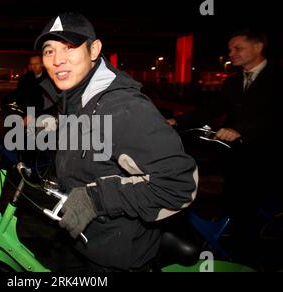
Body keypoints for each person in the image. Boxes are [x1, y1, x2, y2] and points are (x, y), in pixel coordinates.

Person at [34, 12, 198, 272]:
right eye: (49, 51)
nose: (57, 60)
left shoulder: (123, 107)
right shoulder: (75, 97)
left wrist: (95, 198)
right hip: (80, 242)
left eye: (70, 47)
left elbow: (178, 184)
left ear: (94, 50)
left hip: (116, 258)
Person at [168, 30, 283, 269]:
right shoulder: (233, 82)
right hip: (238, 158)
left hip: (268, 158)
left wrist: (242, 130)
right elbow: (211, 109)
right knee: (232, 205)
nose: (231, 54)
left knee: (248, 214)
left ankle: (251, 260)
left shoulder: (278, 77)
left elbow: (275, 116)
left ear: (258, 47)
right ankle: (233, 252)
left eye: (237, 48)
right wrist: (177, 122)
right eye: (230, 49)